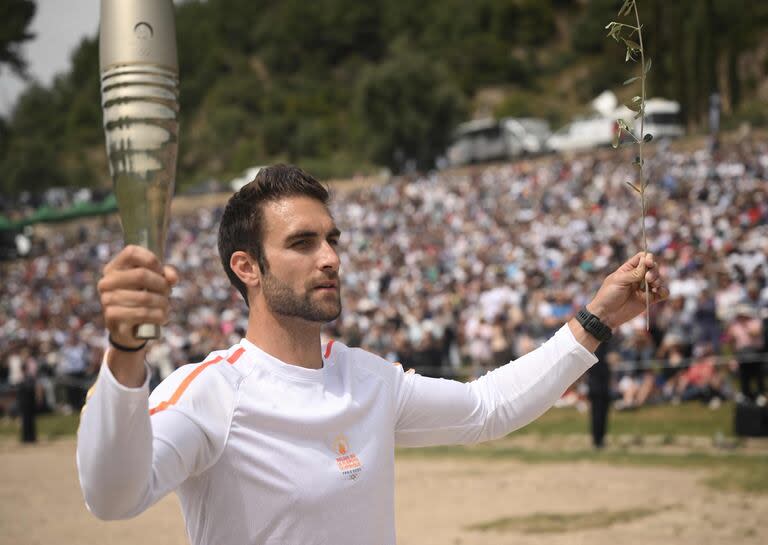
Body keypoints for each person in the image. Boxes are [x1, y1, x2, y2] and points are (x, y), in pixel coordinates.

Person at [77, 165, 668, 545]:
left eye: (331, 239)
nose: (330, 257)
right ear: (247, 267)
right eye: (303, 243)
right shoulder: (210, 390)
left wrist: (595, 320)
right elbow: (113, 497)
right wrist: (126, 353)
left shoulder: (366, 378)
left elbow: (489, 407)